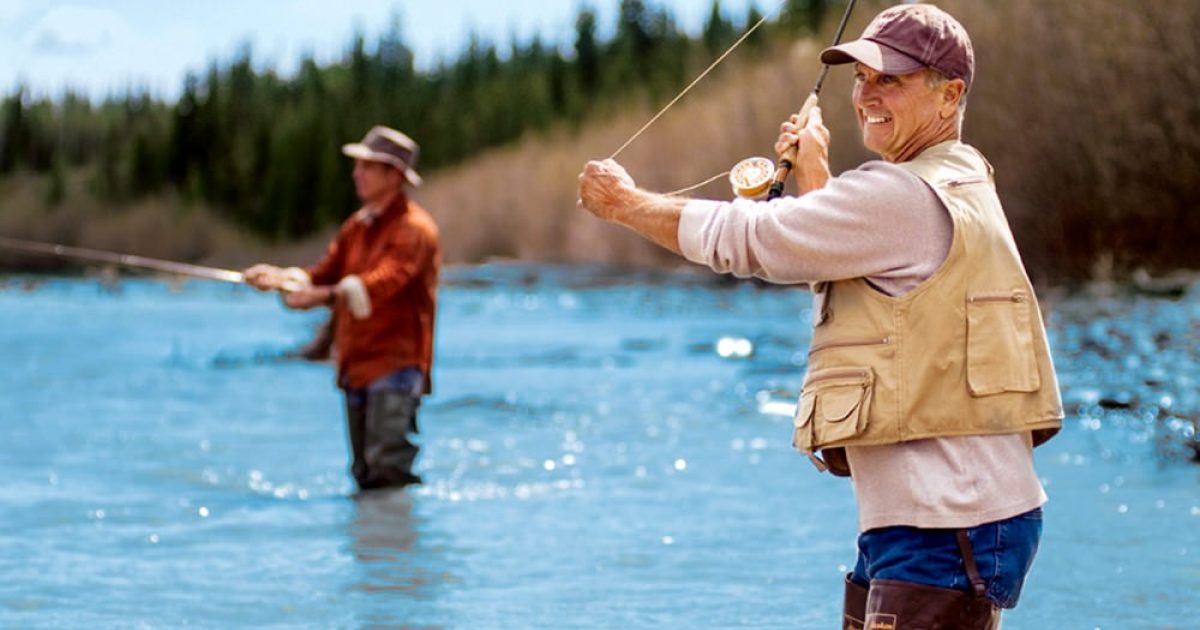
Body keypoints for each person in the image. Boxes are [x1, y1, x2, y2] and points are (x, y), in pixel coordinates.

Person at [578, 4, 1063, 628]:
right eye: (860, 78)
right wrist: (815, 177)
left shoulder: (902, 194)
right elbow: (857, 263)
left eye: (892, 79)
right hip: (946, 518)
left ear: (951, 94)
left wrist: (625, 204)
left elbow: (752, 240)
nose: (867, 94)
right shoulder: (957, 179)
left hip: (945, 525)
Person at [245, 125, 440, 491]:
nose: (357, 173)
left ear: (393, 175)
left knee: (387, 471)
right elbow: (323, 274)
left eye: (367, 166)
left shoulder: (416, 229)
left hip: (397, 367)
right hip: (356, 365)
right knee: (364, 474)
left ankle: (395, 547)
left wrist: (322, 295)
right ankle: (373, 548)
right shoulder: (356, 227)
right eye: (358, 166)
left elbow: (385, 281)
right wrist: (282, 278)